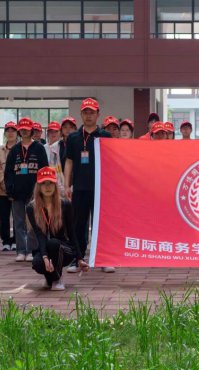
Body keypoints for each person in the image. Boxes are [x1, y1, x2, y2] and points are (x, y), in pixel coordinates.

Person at [63, 98, 114, 273]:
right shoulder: (73, 137)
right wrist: (67, 185)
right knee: (78, 224)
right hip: (80, 187)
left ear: (98, 114)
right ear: (81, 114)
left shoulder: (105, 136)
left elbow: (112, 162)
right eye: (85, 112)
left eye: (92, 112)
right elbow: (69, 162)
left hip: (101, 189)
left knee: (101, 224)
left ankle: (104, 259)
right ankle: (77, 259)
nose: (89, 115)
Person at [27, 167, 89, 290]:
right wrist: (45, 257)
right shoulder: (31, 207)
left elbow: (72, 233)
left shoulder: (65, 204)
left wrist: (79, 258)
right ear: (38, 186)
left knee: (53, 243)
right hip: (44, 248)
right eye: (43, 183)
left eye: (51, 183)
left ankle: (57, 278)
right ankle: (50, 277)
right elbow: (39, 235)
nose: (47, 187)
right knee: (37, 263)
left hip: (63, 248)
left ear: (55, 185)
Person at [5, 117, 49, 262]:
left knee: (33, 222)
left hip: (35, 192)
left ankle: (32, 250)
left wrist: (43, 189)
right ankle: (21, 250)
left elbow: (44, 169)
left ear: (32, 130)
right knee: (18, 222)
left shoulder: (39, 148)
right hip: (17, 192)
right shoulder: (14, 150)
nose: (24, 131)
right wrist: (9, 190)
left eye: (27, 129)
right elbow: (8, 172)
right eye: (22, 129)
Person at [0, 121, 18, 251]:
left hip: (18, 190)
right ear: (5, 133)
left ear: (17, 133)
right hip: (1, 190)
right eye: (8, 130)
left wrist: (14, 186)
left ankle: (16, 240)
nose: (10, 133)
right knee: (4, 217)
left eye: (13, 130)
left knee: (18, 216)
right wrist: (5, 185)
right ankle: (6, 241)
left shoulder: (21, 149)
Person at [45, 121, 66, 196]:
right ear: (47, 134)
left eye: (56, 131)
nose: (53, 134)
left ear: (60, 133)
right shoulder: (43, 148)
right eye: (51, 132)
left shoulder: (64, 147)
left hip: (63, 181)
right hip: (48, 181)